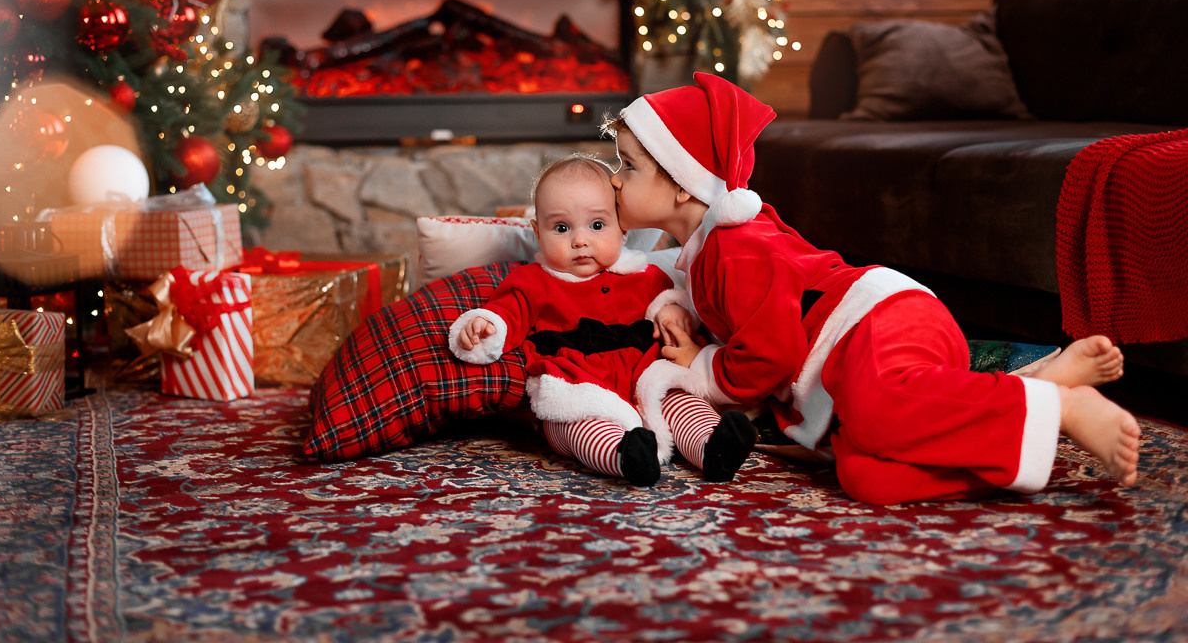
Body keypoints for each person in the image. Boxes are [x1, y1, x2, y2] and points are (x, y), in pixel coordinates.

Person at [603, 72, 1141, 505]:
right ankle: (1027, 430)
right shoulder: (703, 251)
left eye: (627, 165)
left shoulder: (737, 246)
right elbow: (675, 281)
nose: (614, 179)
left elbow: (770, 352)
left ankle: (1060, 405)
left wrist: (704, 368)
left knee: (876, 406)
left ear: (680, 183)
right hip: (850, 372)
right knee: (866, 476)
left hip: (878, 320)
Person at [449, 153, 758, 486]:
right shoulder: (533, 281)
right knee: (577, 427)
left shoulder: (642, 274)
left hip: (644, 370)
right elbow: (510, 310)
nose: (580, 241)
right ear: (538, 233)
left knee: (682, 401)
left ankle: (712, 447)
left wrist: (671, 308)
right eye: (562, 228)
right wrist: (487, 326)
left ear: (622, 230)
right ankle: (624, 457)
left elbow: (672, 299)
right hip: (577, 381)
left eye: (597, 225)